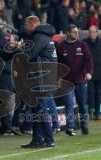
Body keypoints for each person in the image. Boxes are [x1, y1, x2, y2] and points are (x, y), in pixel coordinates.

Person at [20, 15, 57, 148]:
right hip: (42, 77)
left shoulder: (39, 37)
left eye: (26, 25)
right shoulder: (43, 35)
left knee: (41, 110)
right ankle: (37, 139)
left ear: (32, 25)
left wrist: (18, 48)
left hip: (43, 78)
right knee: (35, 110)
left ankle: (49, 139)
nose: (25, 28)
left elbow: (30, 55)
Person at [56, 24, 93, 136]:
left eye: (77, 32)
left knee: (82, 104)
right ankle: (70, 127)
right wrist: (58, 78)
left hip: (81, 80)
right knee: (69, 104)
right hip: (67, 82)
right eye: (74, 32)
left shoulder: (82, 45)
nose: (76, 34)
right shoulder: (61, 46)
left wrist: (89, 73)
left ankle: (84, 126)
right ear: (67, 33)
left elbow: (89, 60)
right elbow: (58, 64)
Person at [83, 25, 101, 120]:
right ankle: (90, 112)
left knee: (98, 94)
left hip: (100, 72)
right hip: (88, 72)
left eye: (93, 32)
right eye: (90, 32)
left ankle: (97, 113)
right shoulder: (84, 43)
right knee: (90, 93)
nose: (91, 34)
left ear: (97, 33)